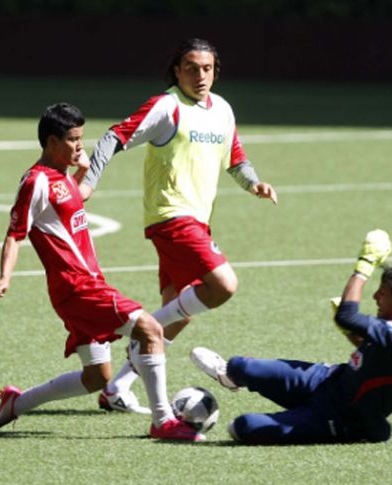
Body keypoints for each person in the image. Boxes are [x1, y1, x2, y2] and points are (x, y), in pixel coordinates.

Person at [0, 103, 204, 441]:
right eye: (73, 140)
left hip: (84, 287)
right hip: (77, 287)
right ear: (52, 142)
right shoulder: (36, 182)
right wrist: (4, 277)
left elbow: (76, 199)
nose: (79, 145)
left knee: (96, 378)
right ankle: (163, 422)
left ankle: (17, 403)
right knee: (150, 330)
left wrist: (84, 171)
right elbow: (15, 234)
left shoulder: (62, 178)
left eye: (81, 138)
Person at [79, 38, 278, 414]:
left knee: (180, 313)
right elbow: (115, 136)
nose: (200, 75)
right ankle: (140, 328)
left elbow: (235, 157)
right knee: (223, 286)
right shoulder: (166, 106)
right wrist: (88, 182)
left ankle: (117, 388)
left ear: (215, 70)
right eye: (191, 68)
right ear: (177, 70)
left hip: (197, 221)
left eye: (207, 68)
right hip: (170, 216)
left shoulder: (222, 109)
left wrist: (254, 183)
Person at [190, 230, 392, 444]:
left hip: (343, 415)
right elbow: (370, 354)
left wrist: (365, 263)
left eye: (383, 293)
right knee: (238, 366)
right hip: (327, 380)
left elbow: (347, 315)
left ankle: (303, 417)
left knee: (242, 427)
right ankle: (229, 378)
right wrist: (350, 334)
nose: (376, 296)